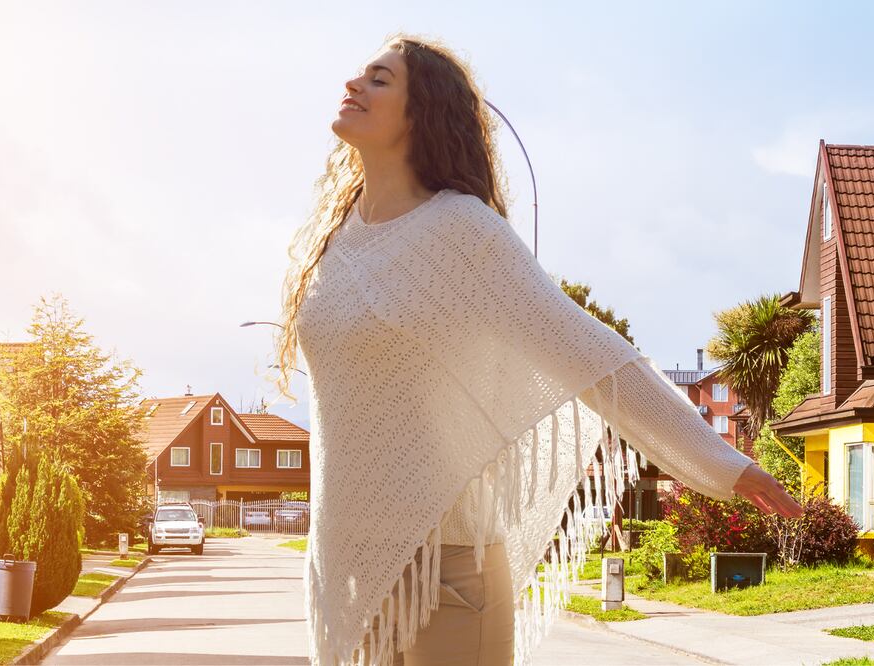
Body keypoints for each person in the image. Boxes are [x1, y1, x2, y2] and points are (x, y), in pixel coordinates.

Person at [275, 33, 802, 666]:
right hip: (345, 566)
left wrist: (717, 461)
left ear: (424, 113)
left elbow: (593, 355)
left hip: (448, 571)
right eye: (359, 74)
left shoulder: (462, 229)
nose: (354, 84)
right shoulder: (333, 242)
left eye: (380, 79)